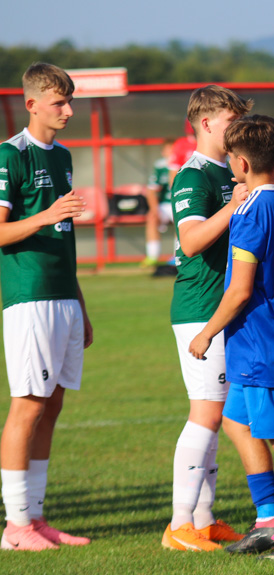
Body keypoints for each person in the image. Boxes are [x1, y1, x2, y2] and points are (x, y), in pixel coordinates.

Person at [188, 114, 274, 561]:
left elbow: (241, 288)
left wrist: (207, 332)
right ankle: (268, 520)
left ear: (240, 162)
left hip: (268, 340)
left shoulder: (249, 212)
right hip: (271, 334)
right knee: (236, 420)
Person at [0, 62, 93, 552]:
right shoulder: (8, 155)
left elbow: (64, 237)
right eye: (59, 102)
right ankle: (14, 528)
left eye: (70, 100)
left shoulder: (64, 156)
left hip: (63, 296)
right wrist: (49, 214)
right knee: (27, 406)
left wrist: (81, 303)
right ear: (31, 103)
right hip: (29, 296)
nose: (69, 111)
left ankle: (35, 519)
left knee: (52, 405)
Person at [162, 85, 252, 552]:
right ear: (206, 124)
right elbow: (192, 241)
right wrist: (233, 206)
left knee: (216, 414)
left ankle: (203, 517)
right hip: (200, 308)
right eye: (231, 121)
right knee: (205, 412)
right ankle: (179, 525)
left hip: (225, 308)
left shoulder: (228, 172)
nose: (237, 130)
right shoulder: (192, 177)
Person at [142, 139, 175, 267]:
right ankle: (152, 256)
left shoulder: (186, 163)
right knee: (151, 217)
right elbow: (151, 191)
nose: (171, 152)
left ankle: (178, 256)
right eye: (168, 149)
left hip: (181, 204)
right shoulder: (160, 166)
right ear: (163, 152)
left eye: (173, 149)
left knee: (183, 222)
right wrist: (155, 210)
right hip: (165, 205)